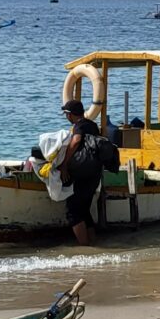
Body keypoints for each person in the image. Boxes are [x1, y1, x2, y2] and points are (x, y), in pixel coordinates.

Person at [57, 98, 103, 245]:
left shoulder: (79, 126)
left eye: (66, 114)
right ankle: (92, 243)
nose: (66, 117)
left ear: (70, 114)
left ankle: (85, 247)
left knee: (73, 211)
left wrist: (64, 164)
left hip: (83, 175)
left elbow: (76, 140)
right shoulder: (93, 125)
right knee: (84, 210)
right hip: (95, 174)